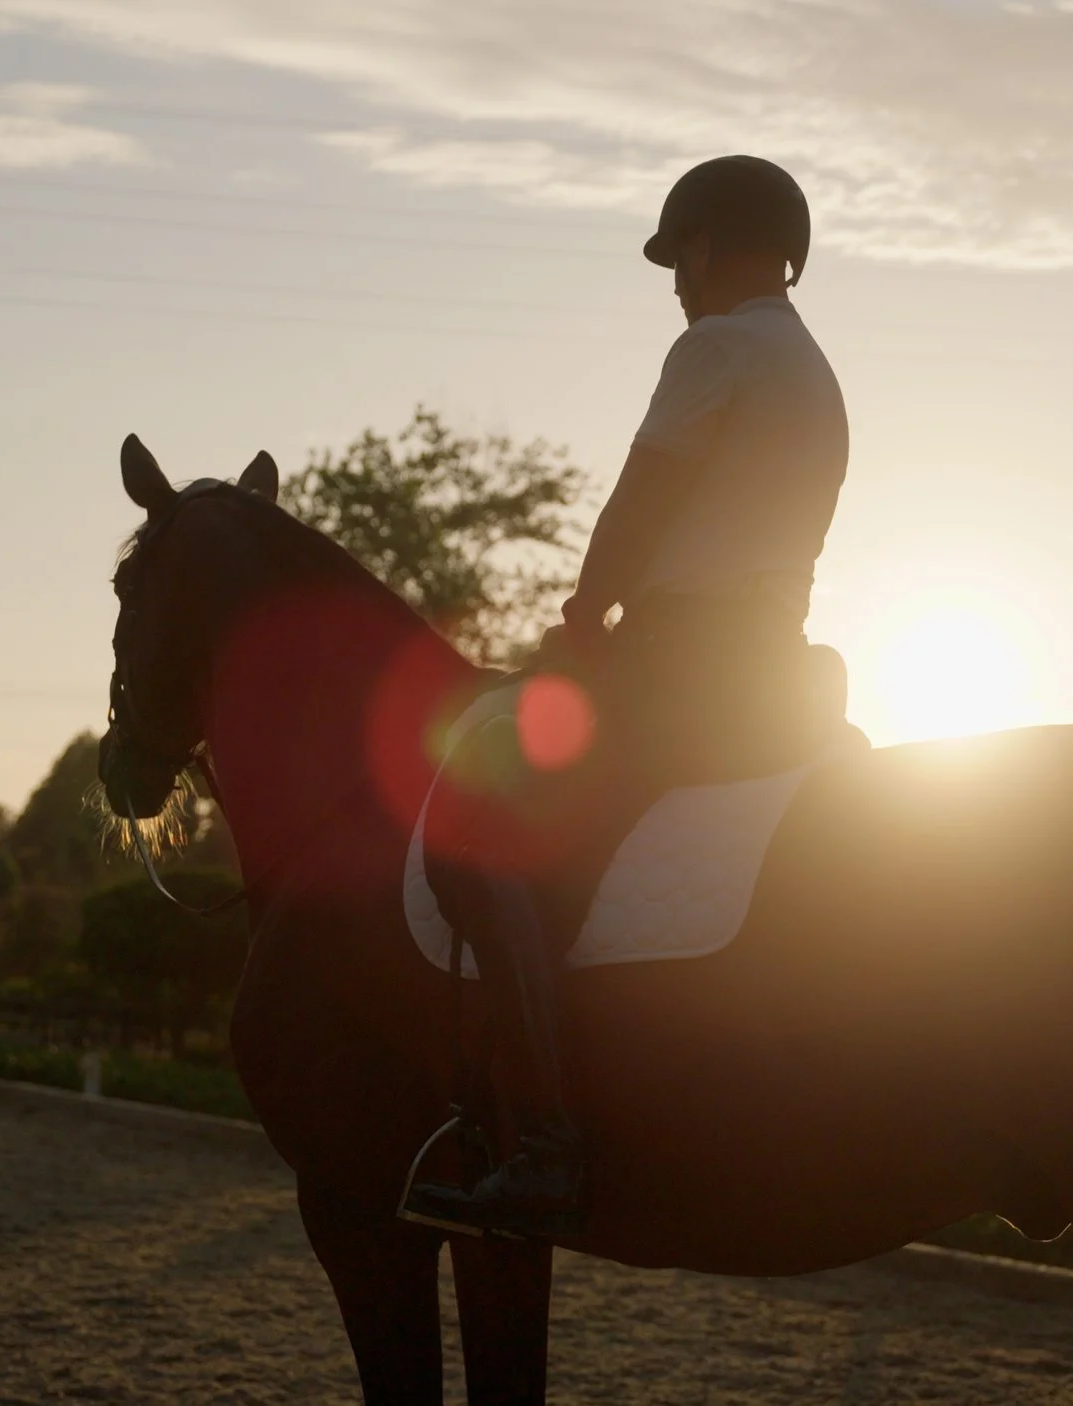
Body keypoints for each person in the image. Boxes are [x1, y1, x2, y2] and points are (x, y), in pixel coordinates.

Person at [401, 154, 851, 1240]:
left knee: (479, 838)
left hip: (683, 666)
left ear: (707, 245)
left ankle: (547, 1139)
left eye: (679, 255)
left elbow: (638, 506)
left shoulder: (718, 345)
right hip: (773, 664)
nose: (675, 279)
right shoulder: (814, 368)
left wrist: (577, 621)